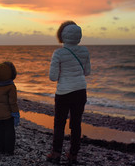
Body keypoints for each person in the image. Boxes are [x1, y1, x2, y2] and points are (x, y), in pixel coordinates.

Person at [46, 21, 91, 164]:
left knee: (59, 124)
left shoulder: (58, 53)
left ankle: (56, 154)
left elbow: (53, 77)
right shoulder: (85, 51)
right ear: (79, 35)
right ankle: (73, 155)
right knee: (76, 124)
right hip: (80, 91)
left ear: (62, 35)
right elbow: (87, 72)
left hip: (64, 92)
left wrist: (63, 76)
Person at [0, 61, 20, 155]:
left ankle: (0, 148)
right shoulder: (11, 87)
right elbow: (13, 102)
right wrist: (16, 113)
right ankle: (9, 150)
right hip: (7, 114)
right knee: (9, 132)